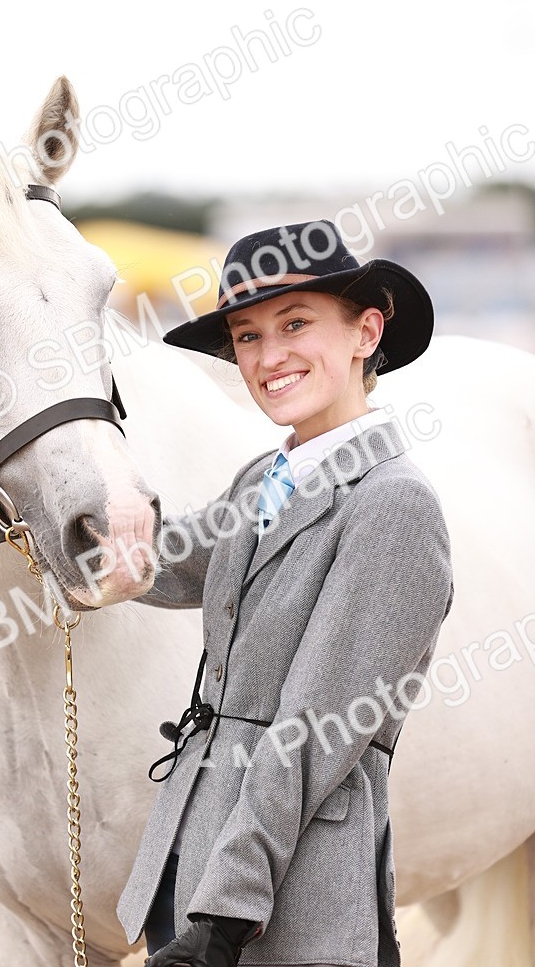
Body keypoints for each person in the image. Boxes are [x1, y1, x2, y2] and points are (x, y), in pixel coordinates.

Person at [115, 218, 455, 967]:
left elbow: (315, 728)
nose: (269, 358)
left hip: (284, 905)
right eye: (246, 336)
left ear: (367, 331)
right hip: (194, 862)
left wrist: (226, 917)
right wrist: (60, 516)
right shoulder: (263, 479)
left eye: (295, 324)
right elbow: (162, 561)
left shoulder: (393, 506)